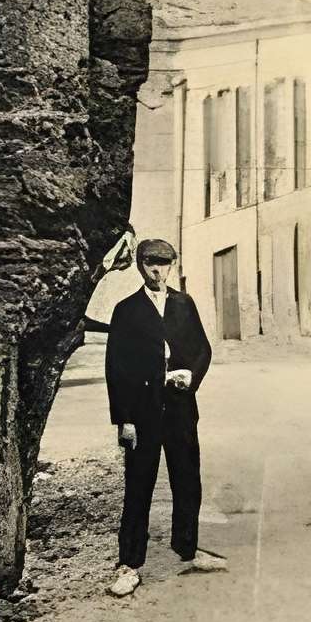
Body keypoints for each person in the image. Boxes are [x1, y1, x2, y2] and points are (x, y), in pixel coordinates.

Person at [105, 238, 224, 597]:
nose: (158, 271)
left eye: (165, 264)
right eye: (151, 264)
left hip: (180, 408)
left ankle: (188, 550)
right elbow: (116, 369)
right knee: (138, 486)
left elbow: (202, 349)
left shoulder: (184, 305)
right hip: (142, 413)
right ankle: (129, 564)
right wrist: (124, 420)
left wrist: (191, 376)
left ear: (172, 266)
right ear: (141, 266)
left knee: (187, 480)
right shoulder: (126, 310)